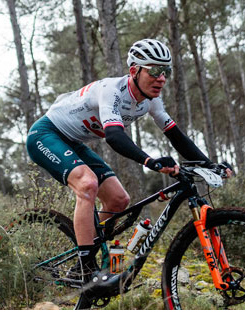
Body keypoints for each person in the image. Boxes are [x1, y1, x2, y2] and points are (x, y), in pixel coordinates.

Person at [26, 38, 223, 282]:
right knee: (87, 184)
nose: (162, 78)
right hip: (46, 134)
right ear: (134, 71)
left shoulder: (151, 100)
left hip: (73, 142)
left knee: (119, 200)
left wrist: (210, 164)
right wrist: (150, 161)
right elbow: (114, 136)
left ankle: (82, 262)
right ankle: (86, 267)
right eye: (155, 71)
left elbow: (175, 135)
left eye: (167, 72)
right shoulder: (112, 91)